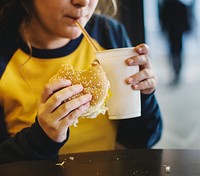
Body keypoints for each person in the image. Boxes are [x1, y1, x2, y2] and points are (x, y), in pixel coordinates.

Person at [0, 0, 162, 164]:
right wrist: (42, 138)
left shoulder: (108, 33)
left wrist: (142, 97)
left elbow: (142, 141)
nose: (83, 2)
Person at [159, 0, 193, 85]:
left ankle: (176, 72)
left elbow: (163, 19)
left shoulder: (167, 5)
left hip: (173, 32)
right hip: (177, 32)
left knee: (174, 52)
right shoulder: (180, 5)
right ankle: (177, 72)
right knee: (177, 52)